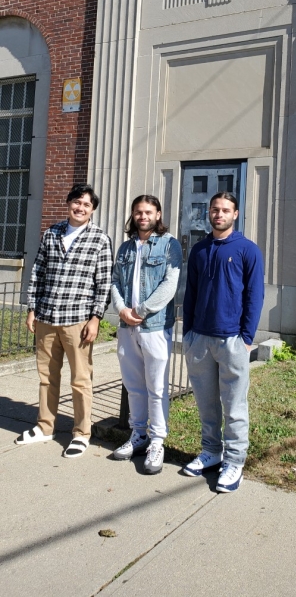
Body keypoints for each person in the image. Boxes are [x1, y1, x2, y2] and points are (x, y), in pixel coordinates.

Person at [15, 184, 112, 458]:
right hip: (46, 316)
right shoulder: (52, 233)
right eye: (76, 202)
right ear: (68, 203)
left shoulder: (99, 239)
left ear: (92, 210)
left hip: (78, 320)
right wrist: (32, 307)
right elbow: (38, 271)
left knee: (81, 380)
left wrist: (95, 319)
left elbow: (103, 284)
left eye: (86, 205)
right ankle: (45, 426)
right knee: (47, 377)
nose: (80, 208)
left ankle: (81, 433)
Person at [182, 191, 264, 492]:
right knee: (206, 405)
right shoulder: (200, 250)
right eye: (215, 210)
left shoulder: (248, 250)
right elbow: (190, 293)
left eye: (225, 210)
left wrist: (246, 338)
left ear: (236, 214)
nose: (219, 214)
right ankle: (211, 452)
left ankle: (234, 461)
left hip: (231, 340)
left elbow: (255, 296)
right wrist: (189, 332)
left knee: (234, 406)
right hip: (199, 339)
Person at [111, 195, 182, 474]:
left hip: (154, 327)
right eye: (138, 212)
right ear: (133, 215)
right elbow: (115, 280)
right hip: (127, 326)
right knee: (133, 385)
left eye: (148, 212)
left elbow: (169, 285)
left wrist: (140, 310)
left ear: (158, 214)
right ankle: (138, 434)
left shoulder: (169, 244)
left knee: (157, 387)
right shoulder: (125, 247)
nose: (143, 216)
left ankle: (157, 441)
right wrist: (121, 309)